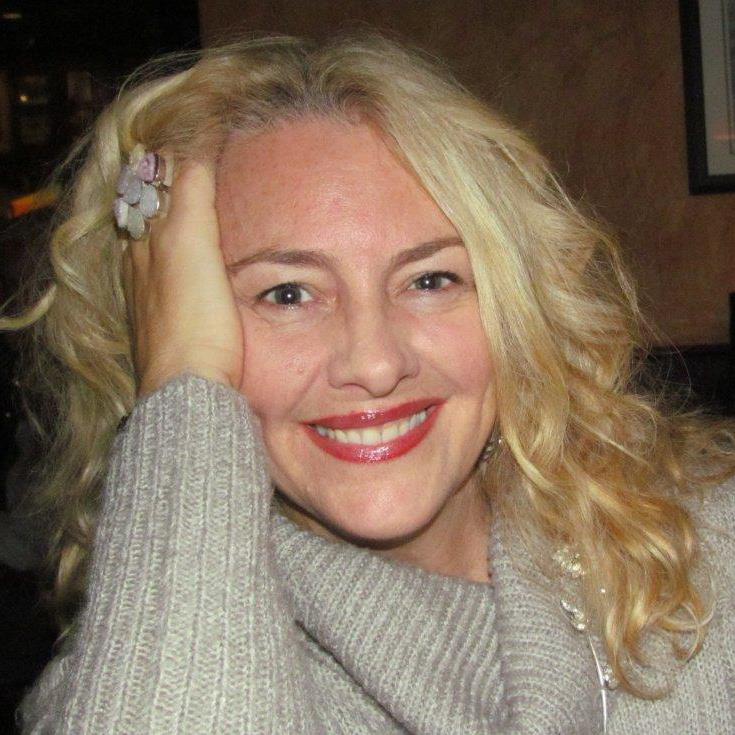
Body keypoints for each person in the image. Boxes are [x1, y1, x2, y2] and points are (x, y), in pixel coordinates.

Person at [4, 33, 735, 734]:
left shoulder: (705, 548)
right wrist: (183, 384)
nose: (376, 363)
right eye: (287, 294)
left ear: (517, 308)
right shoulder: (125, 679)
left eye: (431, 279)